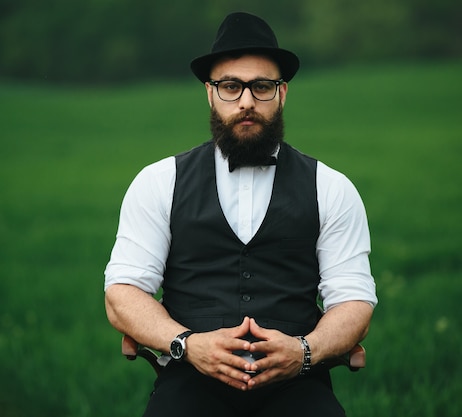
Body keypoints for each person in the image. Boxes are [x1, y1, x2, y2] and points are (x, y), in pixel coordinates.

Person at [104, 11, 377, 417]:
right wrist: (187, 344)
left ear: (282, 94)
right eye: (231, 86)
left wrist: (303, 351)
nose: (246, 101)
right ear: (210, 93)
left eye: (261, 87)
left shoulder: (332, 188)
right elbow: (122, 292)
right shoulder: (158, 182)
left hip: (297, 384)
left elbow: (354, 299)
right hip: (190, 381)